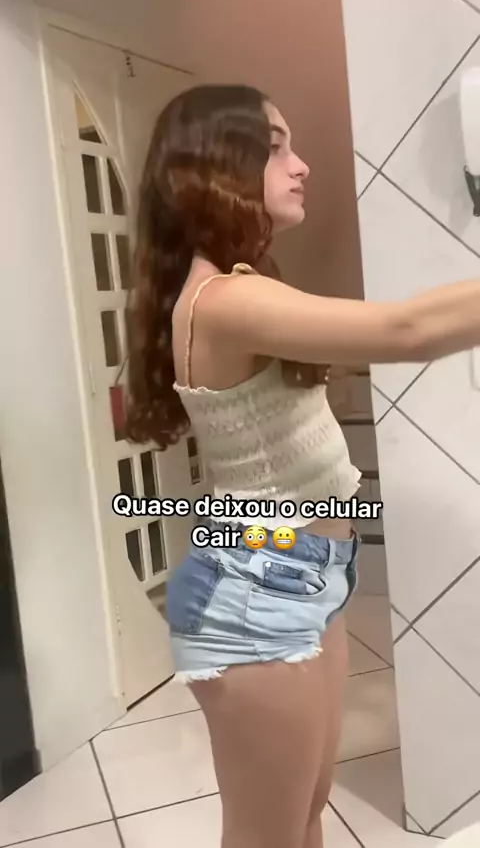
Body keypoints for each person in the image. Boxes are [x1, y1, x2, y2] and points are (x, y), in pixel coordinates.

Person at [124, 84, 480, 848]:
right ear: (219, 165)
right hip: (257, 587)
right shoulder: (222, 301)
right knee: (269, 833)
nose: (301, 165)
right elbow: (406, 330)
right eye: (277, 146)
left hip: (308, 571)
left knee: (308, 809)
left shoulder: (243, 285)